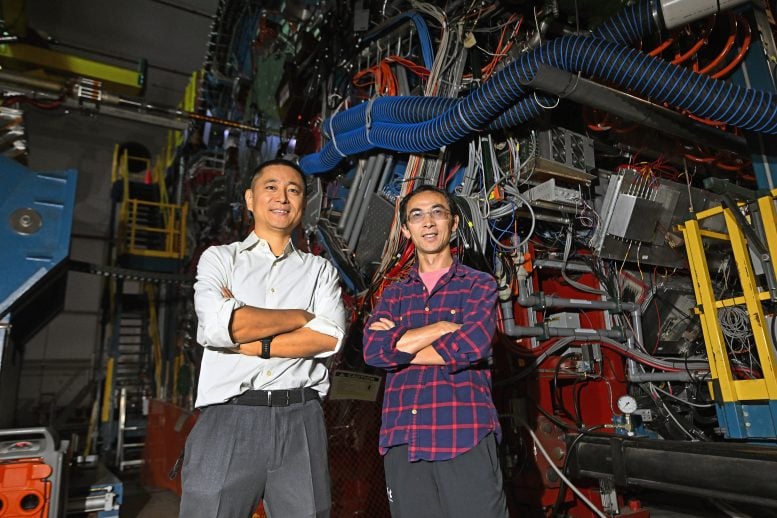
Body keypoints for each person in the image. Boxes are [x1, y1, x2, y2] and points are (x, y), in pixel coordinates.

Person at [181, 158, 346, 518]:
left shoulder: (319, 270)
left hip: (301, 419)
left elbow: (330, 338)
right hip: (229, 417)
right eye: (271, 187)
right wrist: (301, 318)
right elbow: (220, 327)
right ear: (250, 199)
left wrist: (258, 342)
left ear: (303, 203)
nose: (282, 197)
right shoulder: (220, 260)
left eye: (294, 190)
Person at [362, 185, 509, 518]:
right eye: (417, 215)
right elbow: (373, 352)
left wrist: (399, 342)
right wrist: (442, 329)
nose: (427, 222)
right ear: (405, 230)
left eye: (437, 212)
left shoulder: (479, 285)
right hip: (404, 440)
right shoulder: (394, 295)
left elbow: (472, 345)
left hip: (463, 434)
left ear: (453, 224)